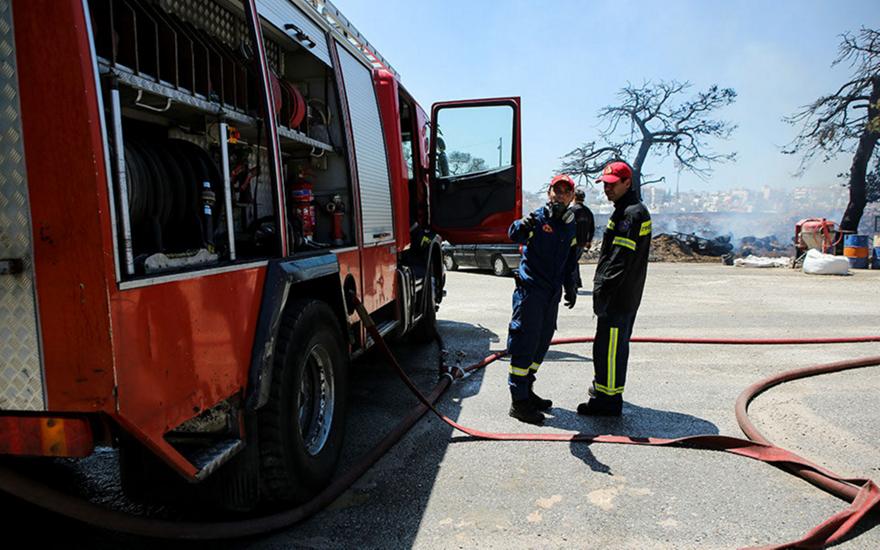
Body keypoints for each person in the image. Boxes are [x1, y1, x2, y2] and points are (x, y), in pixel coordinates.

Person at [578, 161, 651, 417]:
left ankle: (608, 401)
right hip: (625, 294)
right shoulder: (628, 209)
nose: (606, 189)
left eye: (612, 185)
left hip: (618, 296)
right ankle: (605, 389)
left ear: (627, 183)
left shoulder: (629, 214)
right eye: (605, 184)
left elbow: (618, 260)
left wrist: (603, 291)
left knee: (609, 350)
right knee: (611, 347)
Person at [506, 174, 580, 425]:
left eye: (566, 191)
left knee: (542, 342)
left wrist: (571, 285)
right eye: (557, 190)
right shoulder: (538, 218)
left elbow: (571, 259)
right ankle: (518, 402)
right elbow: (514, 234)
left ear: (572, 196)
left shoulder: (570, 224)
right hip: (531, 292)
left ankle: (527, 389)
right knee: (525, 342)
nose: (560, 195)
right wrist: (523, 224)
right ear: (549, 193)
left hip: (552, 293)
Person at [568, 187, 595, 289]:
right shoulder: (588, 212)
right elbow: (592, 228)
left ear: (574, 197)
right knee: (574, 261)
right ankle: (577, 282)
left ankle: (573, 283)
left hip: (572, 242)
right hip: (582, 242)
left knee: (571, 262)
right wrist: (589, 241)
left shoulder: (571, 211)